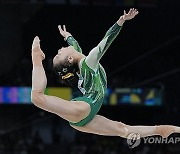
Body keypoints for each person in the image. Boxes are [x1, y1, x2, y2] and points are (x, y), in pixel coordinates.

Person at [31, 8, 180, 139]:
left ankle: (161, 130)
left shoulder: (81, 63)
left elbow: (75, 48)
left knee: (123, 130)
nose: (59, 50)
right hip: (83, 109)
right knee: (37, 97)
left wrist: (69, 37)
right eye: (59, 54)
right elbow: (105, 42)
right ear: (69, 59)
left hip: (82, 118)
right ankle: (36, 57)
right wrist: (120, 22)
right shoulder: (89, 62)